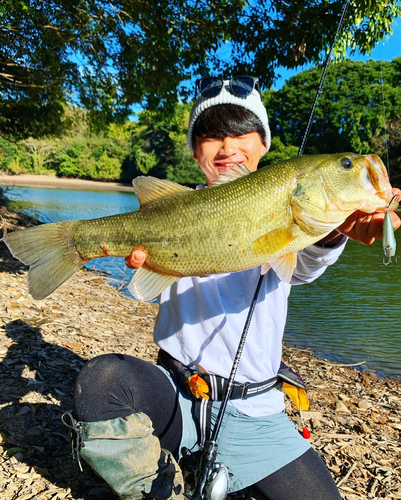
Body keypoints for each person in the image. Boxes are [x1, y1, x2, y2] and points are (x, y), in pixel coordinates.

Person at [69, 76, 401, 500]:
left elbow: (305, 264)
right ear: (194, 150)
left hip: (257, 413)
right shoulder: (177, 205)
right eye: (210, 135)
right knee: (102, 381)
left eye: (241, 132)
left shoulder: (295, 220)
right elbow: (146, 282)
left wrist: (334, 233)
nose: (227, 147)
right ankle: (157, 490)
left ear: (264, 144)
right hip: (177, 396)